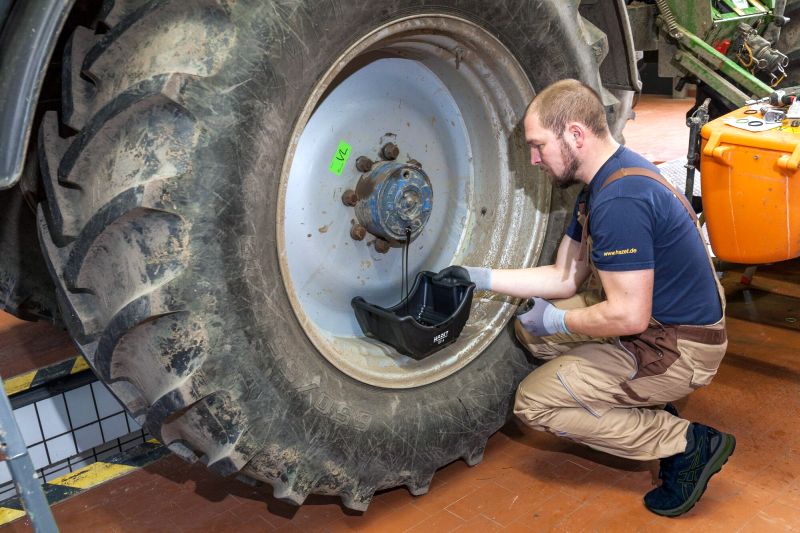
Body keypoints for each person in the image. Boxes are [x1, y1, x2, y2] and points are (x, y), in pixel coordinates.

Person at [436, 79, 734, 517]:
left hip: (679, 347)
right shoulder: (603, 180)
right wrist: (478, 277)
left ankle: (685, 443)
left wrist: (558, 322)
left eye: (538, 145)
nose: (534, 159)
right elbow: (563, 276)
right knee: (530, 329)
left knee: (534, 403)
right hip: (661, 322)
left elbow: (629, 316)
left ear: (575, 134)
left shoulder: (620, 199)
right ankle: (637, 398)